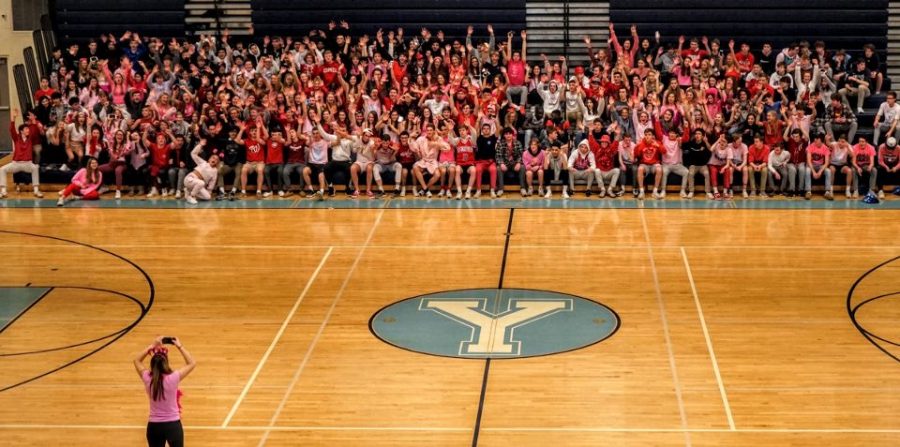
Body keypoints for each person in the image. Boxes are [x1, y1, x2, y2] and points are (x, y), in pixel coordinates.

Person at [133, 336, 196, 447]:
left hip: (154, 427)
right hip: (173, 426)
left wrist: (152, 345)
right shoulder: (173, 377)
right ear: (166, 363)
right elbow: (191, 363)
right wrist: (179, 346)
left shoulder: (147, 378)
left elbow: (137, 360)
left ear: (152, 364)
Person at [0, 109, 43, 199]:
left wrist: (33, 120)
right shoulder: (16, 138)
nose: (28, 130)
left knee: (35, 168)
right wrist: (13, 118)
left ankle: (36, 190)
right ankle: (3, 191)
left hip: (28, 163)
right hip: (16, 164)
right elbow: (11, 129)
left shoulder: (30, 138)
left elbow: (35, 130)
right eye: (26, 129)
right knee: (2, 170)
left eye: (28, 128)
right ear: (21, 131)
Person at [183, 140, 219, 204]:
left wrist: (209, 192)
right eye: (213, 158)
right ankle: (192, 196)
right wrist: (200, 145)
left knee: (208, 197)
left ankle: (188, 191)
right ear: (209, 159)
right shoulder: (203, 162)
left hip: (199, 184)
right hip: (190, 179)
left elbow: (212, 182)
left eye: (216, 159)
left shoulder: (215, 171)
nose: (214, 160)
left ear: (217, 163)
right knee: (201, 183)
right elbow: (193, 154)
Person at [682, 129, 711, 199]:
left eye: (699, 134)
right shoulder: (691, 143)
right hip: (693, 165)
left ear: (702, 136)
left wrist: (706, 141)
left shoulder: (705, 143)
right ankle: (691, 191)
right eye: (696, 134)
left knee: (707, 174)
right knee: (690, 174)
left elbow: (710, 149)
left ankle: (708, 192)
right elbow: (682, 146)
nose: (697, 135)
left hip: (703, 165)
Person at [805, 132, 833, 200]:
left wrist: (820, 172)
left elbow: (826, 163)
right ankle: (808, 191)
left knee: (828, 171)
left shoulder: (825, 148)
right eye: (815, 139)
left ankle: (827, 192)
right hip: (812, 165)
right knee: (807, 170)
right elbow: (808, 161)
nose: (815, 141)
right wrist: (814, 172)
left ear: (821, 141)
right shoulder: (810, 146)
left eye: (817, 139)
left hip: (820, 166)